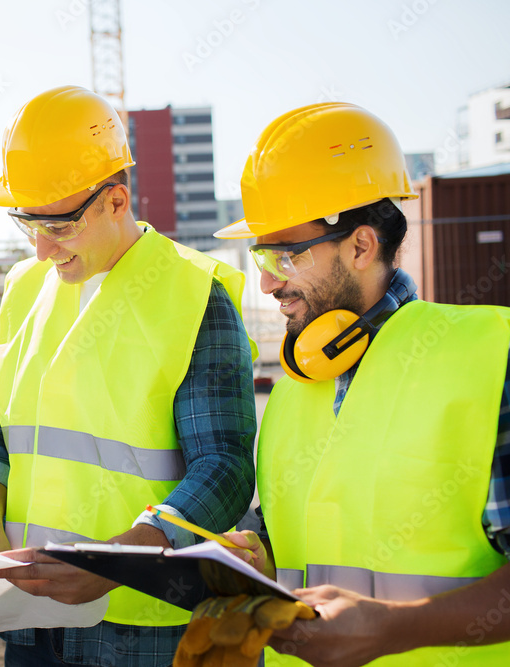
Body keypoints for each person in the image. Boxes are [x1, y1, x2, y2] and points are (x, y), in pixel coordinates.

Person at [0, 85, 258, 666]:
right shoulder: (24, 287)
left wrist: (120, 559)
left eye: (61, 226)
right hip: (29, 616)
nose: (44, 249)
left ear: (116, 200)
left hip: (139, 623)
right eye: (29, 224)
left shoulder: (196, 295)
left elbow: (224, 467)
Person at [215, 102, 510, 665]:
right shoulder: (295, 386)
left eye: (283, 254)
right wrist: (259, 561)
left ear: (360, 246)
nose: (266, 280)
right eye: (261, 254)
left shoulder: (490, 357)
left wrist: (398, 629)